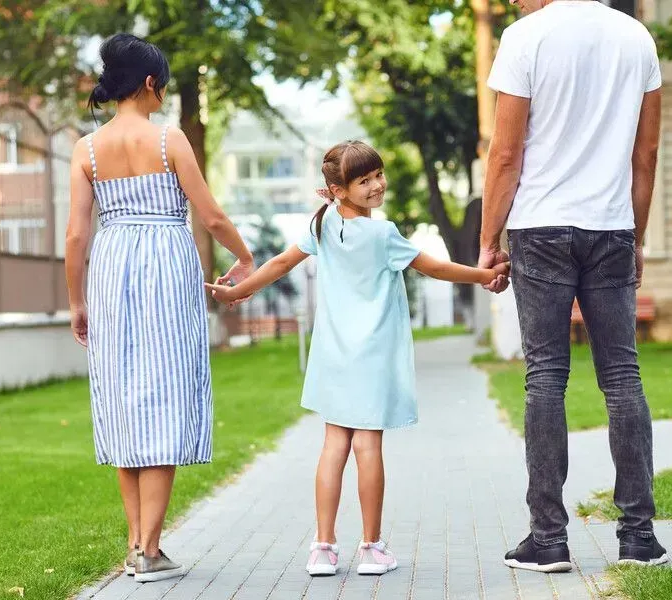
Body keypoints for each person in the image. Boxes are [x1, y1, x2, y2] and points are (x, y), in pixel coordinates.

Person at [205, 141, 509, 577]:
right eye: (364, 180)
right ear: (339, 189)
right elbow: (435, 268)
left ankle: (322, 548)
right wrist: (485, 275)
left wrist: (238, 291)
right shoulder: (382, 235)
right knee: (367, 447)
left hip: (333, 356)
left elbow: (282, 263)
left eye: (378, 175)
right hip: (372, 357)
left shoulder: (324, 224)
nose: (377, 185)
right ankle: (370, 548)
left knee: (333, 446)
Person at [477, 0, 667, 571]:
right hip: (611, 227)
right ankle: (638, 537)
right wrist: (636, 236)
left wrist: (488, 241)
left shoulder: (525, 37)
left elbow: (505, 153)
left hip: (540, 228)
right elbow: (646, 153)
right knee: (622, 376)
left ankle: (548, 539)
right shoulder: (637, 37)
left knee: (545, 377)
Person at [64, 33, 253, 583]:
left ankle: (136, 545)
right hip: (166, 265)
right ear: (150, 84)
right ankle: (149, 548)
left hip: (110, 267)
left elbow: (76, 236)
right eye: (163, 85)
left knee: (124, 399)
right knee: (165, 394)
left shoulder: (86, 149)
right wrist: (245, 258)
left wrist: (76, 301)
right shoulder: (170, 139)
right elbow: (210, 216)